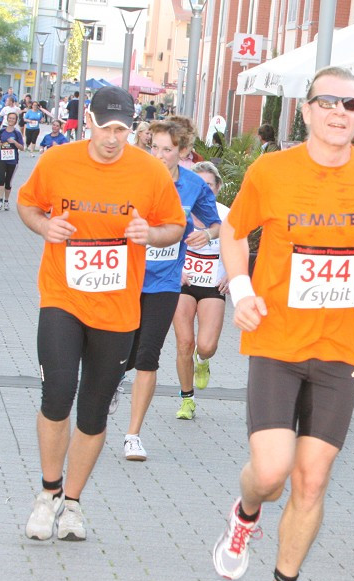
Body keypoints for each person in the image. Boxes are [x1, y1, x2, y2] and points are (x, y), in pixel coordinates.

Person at [211, 66, 354, 581]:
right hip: (277, 341)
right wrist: (241, 289)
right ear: (306, 111)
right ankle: (246, 512)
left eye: (352, 104)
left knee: (311, 479)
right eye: (328, 102)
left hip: (340, 348)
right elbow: (233, 230)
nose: (340, 112)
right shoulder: (272, 170)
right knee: (273, 471)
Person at [17, 85, 184, 543]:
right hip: (62, 296)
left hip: (117, 307)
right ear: (87, 120)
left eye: (123, 130)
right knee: (57, 391)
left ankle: (72, 504)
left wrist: (150, 233)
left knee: (93, 412)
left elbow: (175, 226)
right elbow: (27, 204)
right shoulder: (57, 161)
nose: (113, 138)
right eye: (106, 127)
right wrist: (45, 225)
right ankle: (47, 493)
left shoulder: (149, 172)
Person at [120, 117, 215, 459]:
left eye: (167, 149)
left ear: (184, 152)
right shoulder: (134, 178)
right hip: (126, 279)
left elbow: (217, 222)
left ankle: (133, 434)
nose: (158, 155)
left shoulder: (193, 185)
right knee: (121, 355)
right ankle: (110, 383)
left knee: (148, 356)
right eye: (154, 147)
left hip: (164, 283)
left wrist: (208, 234)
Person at [171, 154, 225, 421]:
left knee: (205, 345)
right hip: (183, 282)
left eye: (209, 185)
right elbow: (163, 241)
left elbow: (239, 246)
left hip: (213, 285)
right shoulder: (180, 209)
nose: (204, 189)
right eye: (199, 184)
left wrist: (233, 275)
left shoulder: (225, 215)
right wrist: (176, 269)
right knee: (184, 342)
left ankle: (202, 362)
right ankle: (186, 399)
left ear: (217, 188)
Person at [0, 110, 25, 211]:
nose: (11, 120)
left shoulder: (17, 133)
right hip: (2, 158)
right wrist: (0, 144)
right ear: (7, 119)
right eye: (10, 118)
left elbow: (22, 148)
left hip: (12, 160)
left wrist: (14, 142)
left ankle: (6, 201)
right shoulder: (2, 131)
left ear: (16, 121)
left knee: (8, 181)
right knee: (1, 178)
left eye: (13, 119)